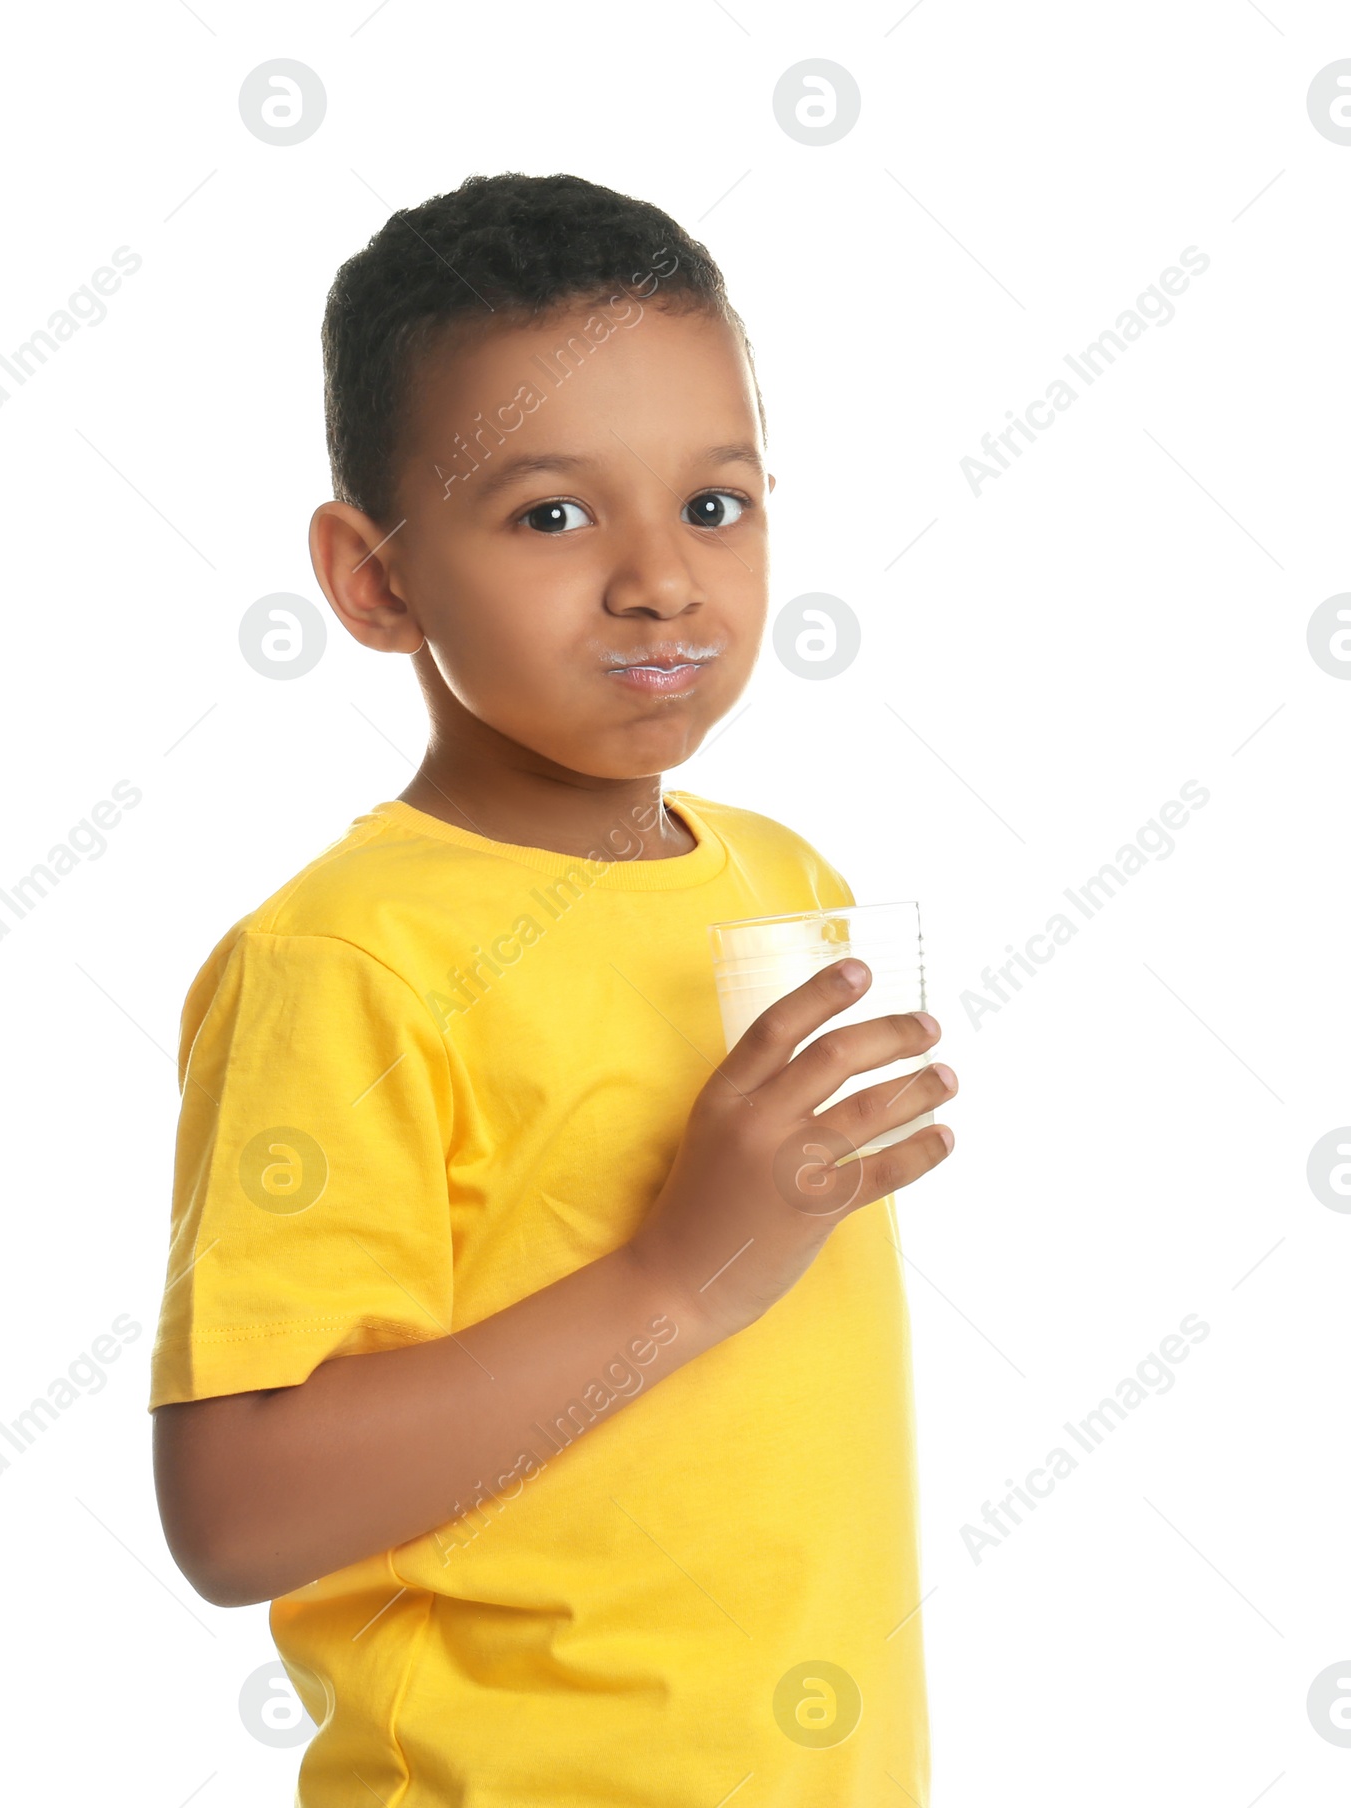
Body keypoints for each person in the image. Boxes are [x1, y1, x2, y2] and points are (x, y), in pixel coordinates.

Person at [149, 170, 956, 1804]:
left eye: (715, 506)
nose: (661, 580)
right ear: (374, 581)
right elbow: (235, 1516)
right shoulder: (344, 963)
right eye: (552, 515)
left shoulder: (781, 880)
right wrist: (679, 1276)